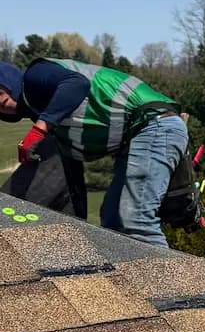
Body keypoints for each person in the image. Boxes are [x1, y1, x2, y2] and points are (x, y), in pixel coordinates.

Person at [0, 58, 188, 246]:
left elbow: (77, 84)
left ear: (8, 80)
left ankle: (165, 274)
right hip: (137, 137)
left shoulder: (35, 75)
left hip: (154, 124)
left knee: (137, 221)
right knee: (113, 224)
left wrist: (39, 130)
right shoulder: (44, 110)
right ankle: (126, 274)